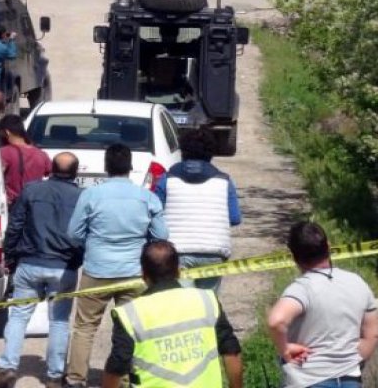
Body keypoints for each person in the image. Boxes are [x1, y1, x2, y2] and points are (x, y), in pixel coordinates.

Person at [64, 144, 169, 388]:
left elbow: (73, 233)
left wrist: (91, 245)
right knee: (130, 328)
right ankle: (124, 378)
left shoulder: (90, 195)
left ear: (106, 166)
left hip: (97, 269)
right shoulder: (147, 197)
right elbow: (161, 235)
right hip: (134, 272)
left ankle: (76, 378)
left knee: (85, 327)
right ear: (130, 167)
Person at [0, 152, 84, 388]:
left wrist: (10, 258)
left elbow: (15, 226)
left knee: (19, 316)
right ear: (75, 172)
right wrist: (77, 260)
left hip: (29, 263)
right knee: (59, 321)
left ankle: (8, 367)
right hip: (63, 267)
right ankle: (54, 375)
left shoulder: (31, 190)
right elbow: (85, 234)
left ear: (51, 168)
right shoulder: (82, 197)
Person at [102, 240, 244, 388]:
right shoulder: (206, 300)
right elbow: (231, 351)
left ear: (143, 275)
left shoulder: (130, 314)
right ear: (178, 270)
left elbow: (116, 367)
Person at [267, 222, 378, 388]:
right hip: (350, 379)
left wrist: (285, 350)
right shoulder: (357, 282)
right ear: (328, 246)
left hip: (308, 379)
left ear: (293, 256)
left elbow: (276, 321)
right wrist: (350, 362)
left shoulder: (301, 289)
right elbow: (373, 335)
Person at [154, 128, 241, 292]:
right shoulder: (225, 181)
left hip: (176, 251)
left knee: (183, 302)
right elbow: (235, 218)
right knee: (208, 302)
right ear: (211, 153)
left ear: (183, 152)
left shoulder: (167, 179)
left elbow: (155, 214)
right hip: (214, 250)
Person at [0, 114, 51, 207]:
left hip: (13, 203)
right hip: (34, 202)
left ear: (7, 132)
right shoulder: (41, 154)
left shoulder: (4, 153)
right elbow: (52, 174)